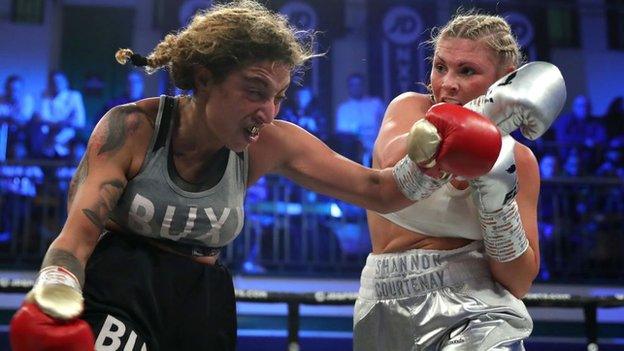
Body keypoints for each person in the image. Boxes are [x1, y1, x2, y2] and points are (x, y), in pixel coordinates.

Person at [8, 2, 504, 350]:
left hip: (202, 300)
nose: (267, 111)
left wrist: (439, 154)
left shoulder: (271, 142)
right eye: (253, 91)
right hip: (119, 286)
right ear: (204, 78)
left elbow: (380, 191)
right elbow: (76, 236)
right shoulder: (133, 128)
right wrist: (57, 287)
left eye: (278, 96)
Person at [354, 12, 566, 350]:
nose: (447, 83)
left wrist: (497, 203)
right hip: (382, 304)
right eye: (440, 67)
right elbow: (396, 167)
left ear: (505, 80)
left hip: (478, 311)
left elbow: (519, 280)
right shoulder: (409, 109)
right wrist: (482, 116)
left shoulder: (519, 160)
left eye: (466, 71)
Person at [335, 73, 385, 166]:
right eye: (353, 85)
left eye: (359, 84)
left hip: (378, 147)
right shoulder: (343, 108)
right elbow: (343, 132)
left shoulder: (376, 104)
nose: (356, 88)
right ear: (349, 87)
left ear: (363, 86)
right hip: (355, 152)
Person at [38, 70, 87, 158]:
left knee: (78, 152)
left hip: (69, 138)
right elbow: (43, 118)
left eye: (59, 81)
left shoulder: (74, 96)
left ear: (66, 82)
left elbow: (80, 121)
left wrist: (54, 122)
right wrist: (64, 122)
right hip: (48, 138)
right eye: (54, 82)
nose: (57, 84)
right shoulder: (46, 96)